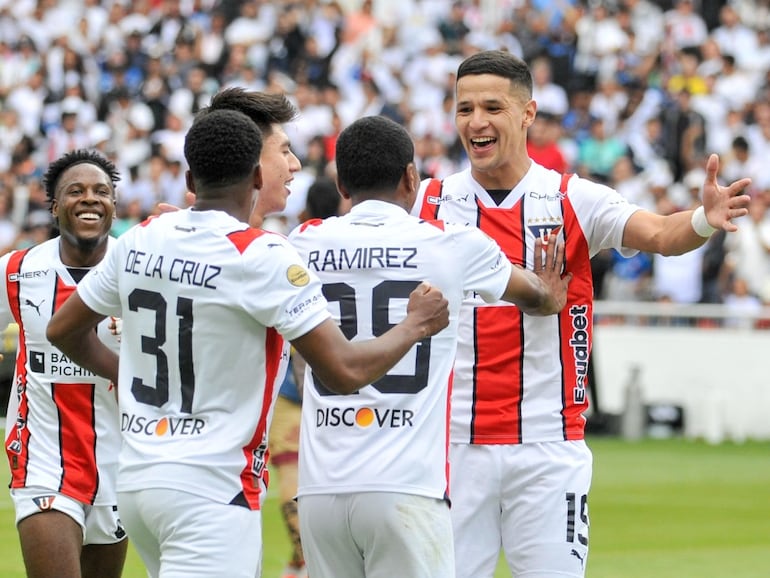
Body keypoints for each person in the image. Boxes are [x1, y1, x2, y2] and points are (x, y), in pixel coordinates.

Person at [45, 109, 450, 578]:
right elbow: (345, 371)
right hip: (211, 489)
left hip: (138, 482)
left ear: (190, 177)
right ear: (257, 174)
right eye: (283, 152)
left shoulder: (142, 238)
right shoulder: (261, 255)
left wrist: (129, 376)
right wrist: (415, 326)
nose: (294, 165)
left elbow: (62, 330)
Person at [411, 50, 752, 578]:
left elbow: (662, 234)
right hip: (453, 448)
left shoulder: (573, 198)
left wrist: (703, 220)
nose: (476, 121)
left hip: (548, 448)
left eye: (492, 107)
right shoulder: (429, 202)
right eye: (464, 109)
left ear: (527, 114)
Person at [288, 115, 571, 578]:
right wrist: (550, 294)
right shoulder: (453, 245)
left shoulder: (303, 244)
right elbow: (534, 296)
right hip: (407, 486)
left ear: (342, 182)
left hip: (320, 489)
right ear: (410, 178)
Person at [1, 150, 127, 578]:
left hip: (120, 464)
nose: (90, 199)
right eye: (76, 191)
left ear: (113, 206)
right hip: (42, 460)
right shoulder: (18, 272)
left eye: (101, 192)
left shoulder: (140, 271)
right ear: (54, 206)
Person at [269, 175, 351, 578]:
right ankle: (310, 563)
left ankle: (303, 562)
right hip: (343, 389)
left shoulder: (283, 251)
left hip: (291, 389)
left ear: (302, 213)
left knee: (292, 481)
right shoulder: (357, 251)